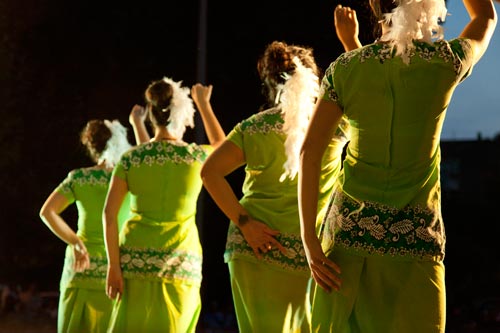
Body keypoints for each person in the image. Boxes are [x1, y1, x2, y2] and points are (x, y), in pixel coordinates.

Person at [298, 0, 497, 332]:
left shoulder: (345, 68)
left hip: (345, 246)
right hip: (415, 250)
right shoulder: (444, 61)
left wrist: (309, 239)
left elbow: (309, 152)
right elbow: (486, 16)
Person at [199, 40, 350, 333]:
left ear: (271, 83)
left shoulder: (253, 127)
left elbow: (210, 173)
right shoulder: (336, 127)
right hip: (302, 251)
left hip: (258, 247)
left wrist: (245, 224)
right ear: (313, 79)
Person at [103, 77, 225, 333]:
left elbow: (109, 215)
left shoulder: (131, 159)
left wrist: (113, 266)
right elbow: (222, 148)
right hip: (181, 262)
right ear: (179, 112)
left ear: (151, 115)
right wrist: (203, 104)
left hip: (133, 261)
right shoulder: (195, 156)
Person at [39, 119, 132, 333]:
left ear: (90, 147)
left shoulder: (79, 178)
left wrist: (76, 242)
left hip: (81, 265)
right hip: (117, 267)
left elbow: (47, 212)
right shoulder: (126, 178)